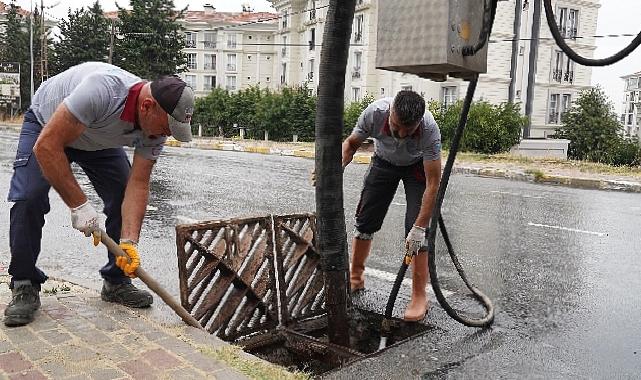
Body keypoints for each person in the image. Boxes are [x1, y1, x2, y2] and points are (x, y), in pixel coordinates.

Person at [5, 62, 195, 326]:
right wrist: (79, 205)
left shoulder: (156, 126)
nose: (165, 136)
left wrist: (129, 241)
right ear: (147, 106)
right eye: (166, 128)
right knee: (28, 197)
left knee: (120, 194)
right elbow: (47, 147)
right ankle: (24, 283)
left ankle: (116, 282)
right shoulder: (101, 90)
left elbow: (138, 184)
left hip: (98, 142)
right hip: (47, 126)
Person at [342, 90, 442, 321]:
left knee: (417, 229)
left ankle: (419, 297)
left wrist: (419, 229)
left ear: (418, 123)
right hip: (384, 162)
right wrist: (334, 169)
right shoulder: (374, 113)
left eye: (409, 131)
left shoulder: (429, 130)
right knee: (366, 219)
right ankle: (355, 277)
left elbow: (433, 184)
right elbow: (351, 144)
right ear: (390, 113)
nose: (401, 134)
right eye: (397, 127)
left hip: (416, 167)